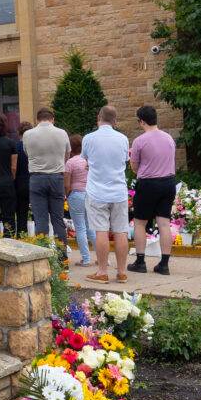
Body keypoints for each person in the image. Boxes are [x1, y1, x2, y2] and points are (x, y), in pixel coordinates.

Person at [82, 106, 133, 283]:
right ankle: (121, 272)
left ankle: (102, 271)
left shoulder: (89, 138)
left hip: (97, 190)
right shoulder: (123, 139)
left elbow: (86, 159)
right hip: (118, 191)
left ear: (99, 118)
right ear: (115, 121)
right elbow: (126, 160)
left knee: (101, 231)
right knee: (121, 231)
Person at [129, 105, 177, 275]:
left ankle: (140, 261)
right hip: (168, 182)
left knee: (140, 222)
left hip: (149, 183)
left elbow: (134, 167)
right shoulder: (169, 138)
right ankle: (164, 264)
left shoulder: (140, 141)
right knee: (164, 222)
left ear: (142, 121)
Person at [23, 107, 71, 243]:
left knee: (41, 220)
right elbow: (66, 155)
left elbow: (28, 153)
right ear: (53, 120)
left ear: (37, 120)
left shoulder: (28, 134)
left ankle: (43, 256)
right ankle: (62, 259)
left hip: (36, 177)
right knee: (58, 219)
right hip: (56, 177)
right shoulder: (62, 133)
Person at [64, 132, 92, 266]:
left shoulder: (70, 163)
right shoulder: (89, 160)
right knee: (91, 227)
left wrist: (67, 195)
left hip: (76, 194)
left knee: (80, 228)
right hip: (90, 193)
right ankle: (103, 258)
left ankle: (86, 259)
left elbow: (67, 184)